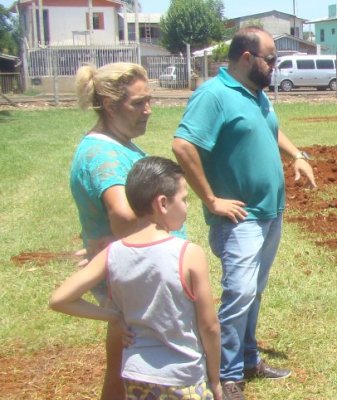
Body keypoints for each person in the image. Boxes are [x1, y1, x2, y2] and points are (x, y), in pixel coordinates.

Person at [172, 26, 317, 400]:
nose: (275, 65)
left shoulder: (256, 93)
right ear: (247, 58)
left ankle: (249, 359)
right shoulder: (213, 95)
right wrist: (211, 200)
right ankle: (227, 374)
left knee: (254, 291)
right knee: (239, 293)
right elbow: (183, 145)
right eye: (271, 59)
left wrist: (297, 155)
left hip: (269, 212)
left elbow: (271, 129)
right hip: (240, 218)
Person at [51, 156, 222, 400]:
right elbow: (209, 326)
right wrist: (215, 379)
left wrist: (113, 315)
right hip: (183, 377)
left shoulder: (112, 253)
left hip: (136, 376)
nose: (186, 207)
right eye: (184, 199)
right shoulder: (189, 254)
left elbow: (59, 299)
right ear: (163, 203)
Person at [69, 62, 157, 400]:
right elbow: (121, 213)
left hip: (130, 276)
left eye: (149, 100)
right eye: (138, 103)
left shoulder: (115, 144)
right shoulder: (103, 153)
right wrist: (162, 238)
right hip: (133, 279)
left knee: (123, 366)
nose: (148, 110)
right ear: (109, 105)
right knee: (132, 366)